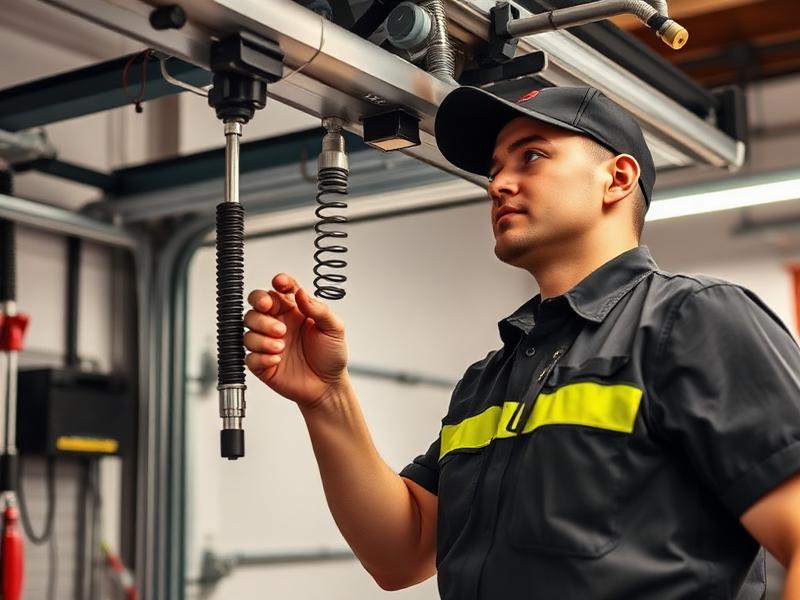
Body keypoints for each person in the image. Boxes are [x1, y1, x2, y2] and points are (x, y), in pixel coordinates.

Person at [243, 85, 800, 599]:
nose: (498, 184)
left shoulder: (690, 320)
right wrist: (327, 398)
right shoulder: (490, 378)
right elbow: (402, 552)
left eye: (531, 156)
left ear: (617, 178)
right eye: (495, 169)